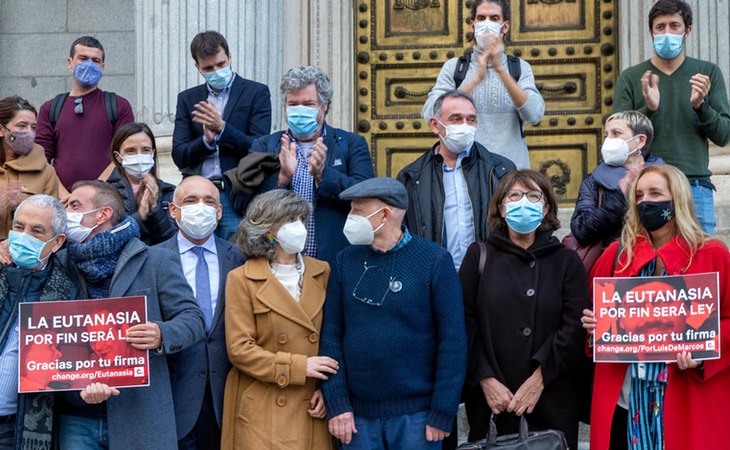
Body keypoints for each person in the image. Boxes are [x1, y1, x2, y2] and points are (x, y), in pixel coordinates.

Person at [582, 164, 730, 450]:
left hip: (685, 398)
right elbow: (594, 319)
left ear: (677, 200)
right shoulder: (617, 255)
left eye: (654, 193)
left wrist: (703, 352)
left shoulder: (712, 255)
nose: (644, 202)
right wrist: (594, 325)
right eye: (638, 195)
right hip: (625, 401)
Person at [54, 180, 206, 450]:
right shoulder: (60, 262)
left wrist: (162, 334)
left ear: (103, 214)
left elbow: (192, 319)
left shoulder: (155, 260)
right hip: (78, 414)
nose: (66, 213)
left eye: (74, 205)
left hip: (140, 413)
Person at [320, 177, 467, 448]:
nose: (350, 217)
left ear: (385, 214)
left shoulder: (434, 260)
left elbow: (453, 341)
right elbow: (330, 338)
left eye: (358, 211)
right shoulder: (345, 261)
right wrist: (337, 402)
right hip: (357, 419)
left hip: (419, 418)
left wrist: (443, 408)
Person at [459, 170, 588, 450]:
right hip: (493, 399)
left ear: (545, 208)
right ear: (501, 209)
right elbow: (464, 323)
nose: (523, 202)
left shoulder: (566, 261)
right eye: (514, 195)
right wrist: (485, 378)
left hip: (552, 394)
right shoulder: (478, 256)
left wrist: (539, 379)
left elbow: (574, 326)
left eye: (533, 196)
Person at [220, 189, 335, 449]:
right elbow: (240, 350)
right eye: (289, 220)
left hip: (311, 404)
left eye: (301, 219)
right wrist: (297, 367)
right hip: (263, 404)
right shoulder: (242, 278)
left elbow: (334, 340)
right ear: (268, 230)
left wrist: (330, 392)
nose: (299, 227)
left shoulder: (322, 271)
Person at [612, 0, 730, 235]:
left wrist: (701, 106)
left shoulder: (708, 73)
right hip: (645, 187)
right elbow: (617, 142)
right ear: (651, 32)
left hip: (694, 186)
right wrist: (649, 109)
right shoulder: (631, 77)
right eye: (660, 27)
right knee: (648, 260)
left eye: (674, 26)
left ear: (687, 31)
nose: (667, 33)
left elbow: (723, 135)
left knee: (699, 260)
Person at [249, 66, 374, 268]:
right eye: (293, 104)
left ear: (324, 106)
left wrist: (323, 175)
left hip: (332, 263)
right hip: (276, 262)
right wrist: (281, 179)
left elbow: (366, 198)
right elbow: (246, 204)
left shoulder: (350, 144)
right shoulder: (264, 145)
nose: (300, 110)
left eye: (308, 104)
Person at [157, 176, 245, 450]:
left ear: (219, 212)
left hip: (228, 396)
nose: (201, 207)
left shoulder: (239, 258)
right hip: (175, 395)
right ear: (173, 210)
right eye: (191, 200)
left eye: (209, 201)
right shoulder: (152, 258)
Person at [399, 90, 515, 270]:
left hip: (490, 275)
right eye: (456, 119)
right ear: (435, 125)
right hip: (435, 276)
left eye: (471, 120)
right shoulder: (412, 176)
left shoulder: (501, 170)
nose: (465, 126)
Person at [172, 31, 272, 240]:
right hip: (197, 196)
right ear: (197, 67)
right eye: (208, 68)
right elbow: (179, 154)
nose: (216, 71)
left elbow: (259, 147)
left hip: (236, 195)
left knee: (236, 259)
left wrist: (223, 130)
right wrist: (206, 141)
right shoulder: (188, 98)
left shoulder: (256, 92)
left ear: (229, 57)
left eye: (221, 64)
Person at [421, 0, 544, 169]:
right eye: (481, 18)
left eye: (494, 18)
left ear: (505, 26)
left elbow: (534, 114)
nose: (487, 24)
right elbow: (430, 115)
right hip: (465, 170)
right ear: (473, 26)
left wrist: (501, 70)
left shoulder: (520, 68)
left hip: (510, 173)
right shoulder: (454, 68)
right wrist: (475, 80)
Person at [0, 195, 77, 450]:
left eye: (36, 231)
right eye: (19, 227)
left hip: (15, 429)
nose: (23, 236)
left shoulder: (70, 292)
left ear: (57, 243)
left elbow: (72, 364)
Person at [35, 36, 135, 193]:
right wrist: (63, 195)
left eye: (95, 60)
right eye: (83, 58)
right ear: (70, 63)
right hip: (62, 200)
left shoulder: (119, 105)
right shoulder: (50, 108)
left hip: (107, 197)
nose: (89, 64)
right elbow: (42, 158)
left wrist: (96, 190)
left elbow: (126, 152)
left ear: (102, 66)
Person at [570, 111, 664, 248]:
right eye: (606, 135)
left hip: (655, 260)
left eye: (616, 133)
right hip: (612, 260)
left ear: (640, 141)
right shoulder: (593, 181)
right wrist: (619, 196)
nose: (608, 140)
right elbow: (582, 231)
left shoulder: (666, 177)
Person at [105, 122, 177, 246]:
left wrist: (155, 209)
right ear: (118, 157)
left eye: (145, 150)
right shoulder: (105, 193)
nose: (139, 156)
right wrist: (140, 215)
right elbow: (106, 241)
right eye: (131, 151)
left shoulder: (169, 192)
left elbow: (172, 242)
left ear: (153, 153)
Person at [0, 96, 60, 240]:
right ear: (2, 130)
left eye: (33, 127)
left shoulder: (46, 171)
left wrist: (21, 209)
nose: (29, 133)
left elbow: (53, 224)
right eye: (22, 126)